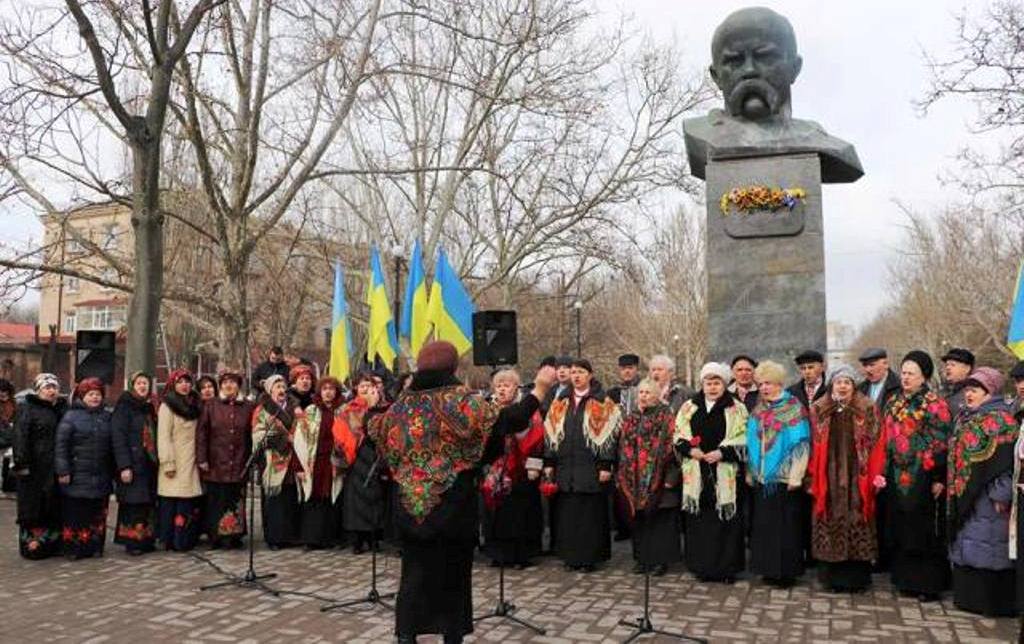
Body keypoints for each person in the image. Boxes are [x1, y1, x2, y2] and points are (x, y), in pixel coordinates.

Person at [366, 341, 555, 644]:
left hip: (411, 508)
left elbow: (373, 431)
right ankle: (451, 636)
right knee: (453, 578)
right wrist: (541, 389)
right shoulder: (463, 402)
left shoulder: (400, 407)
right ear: (453, 368)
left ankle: (406, 635)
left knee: (412, 577)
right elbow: (509, 420)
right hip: (452, 509)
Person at [879, 351, 952, 600]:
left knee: (923, 530)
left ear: (924, 377)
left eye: (912, 373)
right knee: (901, 527)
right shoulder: (893, 401)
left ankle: (928, 585)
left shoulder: (934, 404)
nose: (906, 377)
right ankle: (905, 580)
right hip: (895, 474)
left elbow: (941, 442)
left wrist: (938, 478)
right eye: (904, 372)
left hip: (923, 474)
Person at [807, 364, 886, 592]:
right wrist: (811, 477)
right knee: (829, 521)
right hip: (828, 479)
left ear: (854, 386)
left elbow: (877, 442)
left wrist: (874, 474)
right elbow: (812, 444)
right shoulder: (819, 409)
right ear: (832, 384)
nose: (842, 386)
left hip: (856, 478)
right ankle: (831, 579)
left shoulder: (867, 408)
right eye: (839, 382)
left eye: (847, 382)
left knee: (858, 521)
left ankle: (857, 580)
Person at [947, 367, 1017, 616]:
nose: (969, 394)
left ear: (990, 391)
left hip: (990, 499)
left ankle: (992, 602)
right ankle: (968, 598)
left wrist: (1001, 494)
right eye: (967, 389)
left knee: (989, 547)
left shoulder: (1001, 420)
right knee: (969, 543)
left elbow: (1009, 463)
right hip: (966, 494)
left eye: (975, 390)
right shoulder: (967, 417)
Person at [544, 358, 622, 572]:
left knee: (590, 515)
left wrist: (606, 464)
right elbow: (551, 430)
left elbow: (610, 435)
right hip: (566, 467)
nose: (576, 376)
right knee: (568, 514)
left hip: (591, 468)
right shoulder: (561, 400)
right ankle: (571, 556)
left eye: (580, 372)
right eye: (573, 372)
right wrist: (549, 461)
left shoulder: (602, 401)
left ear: (590, 375)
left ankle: (590, 558)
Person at [675, 362, 748, 583]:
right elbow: (678, 434)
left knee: (726, 522)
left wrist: (723, 453)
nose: (712, 387)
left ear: (725, 385)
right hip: (697, 472)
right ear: (702, 384)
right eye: (709, 383)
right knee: (700, 523)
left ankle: (727, 569)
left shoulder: (736, 408)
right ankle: (702, 567)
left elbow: (743, 437)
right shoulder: (689, 406)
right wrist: (691, 449)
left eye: (717, 383)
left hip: (725, 473)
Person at [746, 360, 809, 587]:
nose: (764, 388)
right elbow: (750, 440)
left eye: (768, 383)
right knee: (764, 526)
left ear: (779, 383)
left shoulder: (793, 407)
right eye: (761, 383)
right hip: (762, 477)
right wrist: (750, 471)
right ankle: (767, 569)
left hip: (783, 478)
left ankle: (786, 572)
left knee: (785, 527)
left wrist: (796, 475)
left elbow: (801, 444)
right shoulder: (759, 408)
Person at [614, 378, 680, 577]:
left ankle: (659, 561)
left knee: (659, 521)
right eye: (640, 392)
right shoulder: (631, 417)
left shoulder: (666, 416)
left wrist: (671, 477)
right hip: (634, 479)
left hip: (660, 478)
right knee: (640, 520)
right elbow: (622, 447)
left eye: (647, 392)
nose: (643, 396)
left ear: (657, 395)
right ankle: (642, 559)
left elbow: (673, 448)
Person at [480, 368, 544, 569]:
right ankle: (497, 553)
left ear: (516, 387)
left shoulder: (527, 410)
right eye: (498, 385)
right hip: (495, 471)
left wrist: (534, 466)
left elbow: (538, 440)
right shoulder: (486, 409)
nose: (501, 390)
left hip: (521, 471)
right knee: (495, 512)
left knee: (520, 513)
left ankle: (520, 555)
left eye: (506, 385)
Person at [55, 377, 113, 559]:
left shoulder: (107, 417)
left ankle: (94, 546)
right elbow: (61, 446)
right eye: (91, 394)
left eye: (98, 394)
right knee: (76, 513)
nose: (95, 398)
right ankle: (74, 548)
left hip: (100, 474)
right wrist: (63, 470)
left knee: (97, 513)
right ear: (82, 396)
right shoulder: (70, 417)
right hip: (77, 474)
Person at [196, 370, 254, 549]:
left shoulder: (247, 406)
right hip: (215, 461)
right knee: (217, 500)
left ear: (238, 386)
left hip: (239, 460)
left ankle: (234, 535)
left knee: (235, 498)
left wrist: (252, 459)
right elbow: (202, 434)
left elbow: (251, 434)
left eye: (233, 382)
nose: (229, 386)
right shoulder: (211, 406)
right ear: (220, 386)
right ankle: (216, 536)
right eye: (225, 383)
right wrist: (202, 458)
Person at [12, 373, 67, 559]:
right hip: (33, 469)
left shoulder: (61, 409)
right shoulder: (27, 408)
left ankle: (52, 545)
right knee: (34, 507)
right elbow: (20, 437)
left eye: (54, 387)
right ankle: (32, 546)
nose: (52, 391)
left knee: (53, 505)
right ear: (38, 390)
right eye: (47, 388)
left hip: (54, 467)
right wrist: (21, 463)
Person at [336, 371, 389, 554]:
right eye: (362, 385)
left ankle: (374, 537)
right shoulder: (347, 409)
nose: (366, 389)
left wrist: (374, 409)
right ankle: (357, 539)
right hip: (356, 456)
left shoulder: (383, 408)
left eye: (369, 385)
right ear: (356, 388)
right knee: (355, 499)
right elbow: (340, 431)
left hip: (374, 455)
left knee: (374, 497)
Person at [293, 376, 346, 549]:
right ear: (319, 392)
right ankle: (311, 539)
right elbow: (299, 439)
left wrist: (342, 462)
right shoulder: (310, 411)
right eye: (324, 389)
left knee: (331, 498)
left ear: (337, 391)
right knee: (314, 498)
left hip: (334, 461)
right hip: (313, 462)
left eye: (331, 389)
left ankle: (331, 538)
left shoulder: (344, 412)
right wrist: (299, 466)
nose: (328, 392)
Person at [111, 371, 159, 555]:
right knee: (133, 503)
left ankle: (146, 538)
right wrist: (124, 466)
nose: (142, 386)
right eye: (139, 383)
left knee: (147, 503)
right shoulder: (124, 406)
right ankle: (132, 540)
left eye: (145, 383)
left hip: (148, 464)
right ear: (132, 386)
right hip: (132, 462)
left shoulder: (149, 407)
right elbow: (118, 437)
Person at [157, 369, 204, 552]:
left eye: (187, 382)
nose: (184, 385)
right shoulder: (167, 406)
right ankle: (170, 540)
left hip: (191, 461)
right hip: (174, 461)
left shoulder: (196, 405)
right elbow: (163, 437)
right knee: (171, 503)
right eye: (180, 382)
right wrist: (168, 462)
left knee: (187, 503)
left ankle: (184, 540)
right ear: (173, 385)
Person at [252, 373, 301, 549]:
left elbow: (302, 430)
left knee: (289, 499)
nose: (281, 390)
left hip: (293, 458)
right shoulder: (262, 410)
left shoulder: (295, 408)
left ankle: (290, 535)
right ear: (269, 390)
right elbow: (258, 435)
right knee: (274, 502)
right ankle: (274, 538)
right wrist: (282, 439)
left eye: (282, 386)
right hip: (272, 458)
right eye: (277, 387)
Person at [940, 347, 975, 417]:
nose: (948, 368)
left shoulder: (973, 393)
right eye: (947, 365)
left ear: (967, 369)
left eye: (953, 365)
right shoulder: (943, 391)